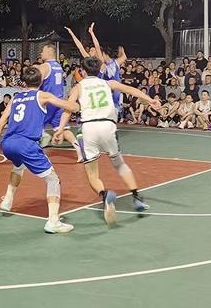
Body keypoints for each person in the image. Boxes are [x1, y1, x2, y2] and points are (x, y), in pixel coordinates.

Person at [54, 57, 160, 225]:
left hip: (89, 128)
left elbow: (68, 108)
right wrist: (150, 100)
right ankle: (136, 197)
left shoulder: (78, 87)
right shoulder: (108, 83)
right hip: (108, 126)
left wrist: (60, 128)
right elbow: (130, 89)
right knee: (120, 164)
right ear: (99, 70)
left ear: (82, 71)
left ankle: (105, 195)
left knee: (92, 174)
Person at [0, 67, 80, 234]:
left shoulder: (15, 98)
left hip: (7, 143)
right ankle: (53, 221)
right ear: (42, 81)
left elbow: (0, 125)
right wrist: (77, 102)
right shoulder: (42, 95)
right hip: (26, 144)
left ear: (24, 81)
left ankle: (7, 200)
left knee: (18, 167)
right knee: (53, 180)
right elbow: (71, 107)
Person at [38, 43, 83, 161]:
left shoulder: (45, 66)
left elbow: (36, 84)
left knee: (34, 126)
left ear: (49, 52)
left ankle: (39, 143)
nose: (41, 53)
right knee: (63, 129)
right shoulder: (58, 66)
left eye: (43, 51)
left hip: (47, 102)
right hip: (59, 103)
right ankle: (79, 151)